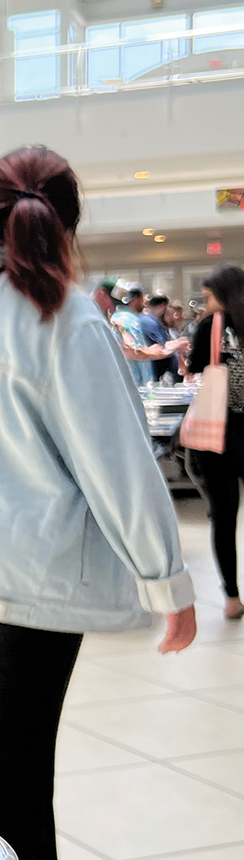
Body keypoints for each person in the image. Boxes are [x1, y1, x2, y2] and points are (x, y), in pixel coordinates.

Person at [0, 146, 196, 860]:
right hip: (20, 595)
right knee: (16, 786)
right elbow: (116, 465)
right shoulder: (65, 318)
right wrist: (168, 583)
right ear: (68, 222)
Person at [187, 264, 244, 619]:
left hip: (219, 434)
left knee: (224, 519)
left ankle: (232, 598)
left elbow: (195, 366)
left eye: (208, 297)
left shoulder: (211, 326)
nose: (205, 304)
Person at [138, 293, 178, 379]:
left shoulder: (153, 321)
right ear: (163, 306)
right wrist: (179, 344)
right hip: (154, 371)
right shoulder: (149, 323)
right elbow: (161, 348)